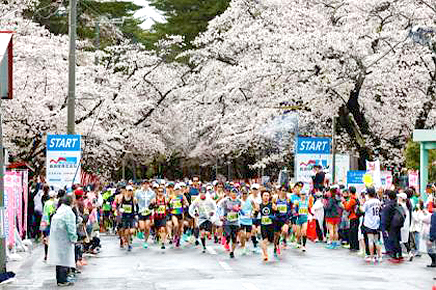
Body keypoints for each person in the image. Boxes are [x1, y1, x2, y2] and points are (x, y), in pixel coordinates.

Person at [47, 195, 78, 287]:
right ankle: (63, 280)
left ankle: (60, 279)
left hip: (57, 238)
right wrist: (74, 238)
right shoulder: (69, 213)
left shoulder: (59, 211)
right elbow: (71, 227)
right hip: (65, 239)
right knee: (65, 259)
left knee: (59, 260)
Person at [189, 188, 217, 253]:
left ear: (205, 193)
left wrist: (213, 212)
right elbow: (191, 208)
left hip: (209, 218)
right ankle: (204, 247)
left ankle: (207, 234)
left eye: (204, 193)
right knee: (202, 233)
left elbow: (215, 207)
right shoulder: (197, 200)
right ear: (199, 193)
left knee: (207, 233)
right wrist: (194, 214)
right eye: (201, 193)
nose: (202, 194)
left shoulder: (209, 199)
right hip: (201, 219)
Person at [360, 187, 383, 263]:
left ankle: (372, 256)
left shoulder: (368, 202)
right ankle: (379, 256)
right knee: (377, 241)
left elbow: (363, 210)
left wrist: (360, 205)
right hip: (377, 222)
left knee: (370, 240)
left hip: (369, 223)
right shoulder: (378, 201)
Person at [221, 188, 242, 258]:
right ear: (230, 193)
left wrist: (243, 212)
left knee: (234, 238)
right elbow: (220, 208)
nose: (234, 194)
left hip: (235, 222)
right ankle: (226, 240)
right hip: (227, 221)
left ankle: (232, 252)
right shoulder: (225, 201)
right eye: (233, 192)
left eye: (235, 193)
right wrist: (221, 216)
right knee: (228, 235)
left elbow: (241, 210)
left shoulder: (239, 201)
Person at [135, 181, 155, 249]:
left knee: (147, 227)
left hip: (148, 211)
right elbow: (135, 201)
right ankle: (140, 231)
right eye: (144, 184)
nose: (146, 185)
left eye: (147, 184)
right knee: (142, 227)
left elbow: (154, 201)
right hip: (141, 211)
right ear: (142, 185)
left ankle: (145, 241)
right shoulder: (138, 192)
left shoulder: (152, 192)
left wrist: (153, 202)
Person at [118, 185, 137, 251]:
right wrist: (120, 210)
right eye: (128, 190)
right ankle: (129, 244)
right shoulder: (122, 198)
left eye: (130, 191)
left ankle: (129, 239)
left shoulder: (134, 199)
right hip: (124, 217)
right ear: (126, 191)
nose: (129, 192)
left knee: (132, 231)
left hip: (132, 216)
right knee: (126, 232)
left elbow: (136, 207)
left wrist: (136, 213)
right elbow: (119, 206)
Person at [41, 190, 57, 262]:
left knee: (46, 239)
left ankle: (46, 255)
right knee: (50, 239)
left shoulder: (46, 202)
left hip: (44, 222)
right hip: (49, 223)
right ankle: (50, 255)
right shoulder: (52, 203)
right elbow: (51, 214)